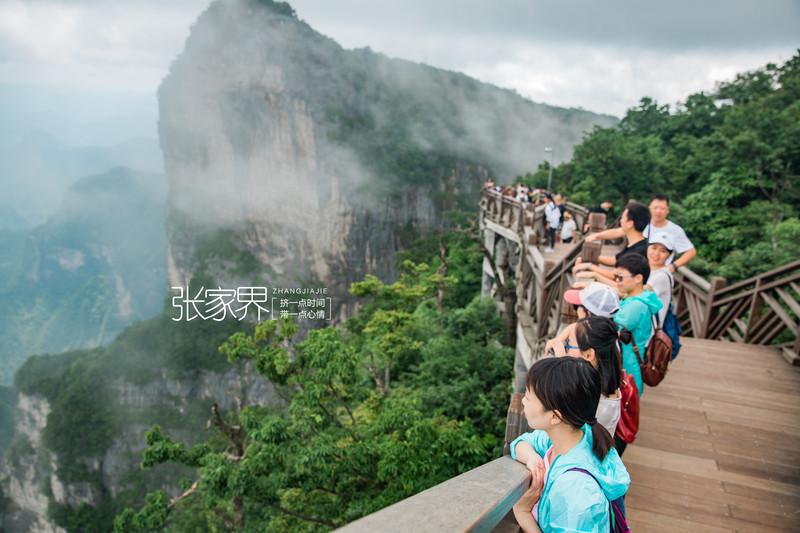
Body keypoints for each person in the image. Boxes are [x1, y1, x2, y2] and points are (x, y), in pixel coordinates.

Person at [510, 357, 630, 533]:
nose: (522, 401)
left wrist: (523, 512)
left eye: (528, 397)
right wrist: (532, 459)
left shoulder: (576, 491)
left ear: (554, 417)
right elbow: (520, 443)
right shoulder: (578, 435)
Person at [544, 317, 623, 436]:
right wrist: (559, 339)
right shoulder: (598, 379)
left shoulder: (597, 403)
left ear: (588, 354)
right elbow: (576, 327)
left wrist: (561, 363)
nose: (565, 349)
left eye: (568, 345)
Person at [587, 195, 696, 272]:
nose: (658, 211)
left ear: (668, 210)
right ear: (649, 208)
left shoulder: (675, 230)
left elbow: (691, 251)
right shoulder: (642, 224)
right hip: (638, 272)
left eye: (662, 208)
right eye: (655, 208)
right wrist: (596, 236)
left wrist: (673, 266)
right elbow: (618, 231)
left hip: (659, 274)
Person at [612, 253, 663, 398]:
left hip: (628, 367)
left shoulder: (636, 306)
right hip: (634, 362)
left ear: (638, 278)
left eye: (620, 277)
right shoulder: (645, 296)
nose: (617, 281)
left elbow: (611, 324)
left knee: (626, 412)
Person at [573, 201, 650, 282]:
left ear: (630, 224)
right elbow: (616, 260)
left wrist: (589, 266)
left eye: (623, 217)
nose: (621, 220)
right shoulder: (638, 243)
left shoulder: (638, 252)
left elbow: (615, 275)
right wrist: (588, 258)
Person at [645, 231, 675, 324]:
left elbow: (636, 293)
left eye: (663, 251)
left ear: (669, 255)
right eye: (654, 248)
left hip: (647, 331)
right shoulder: (646, 268)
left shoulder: (661, 276)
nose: (656, 253)